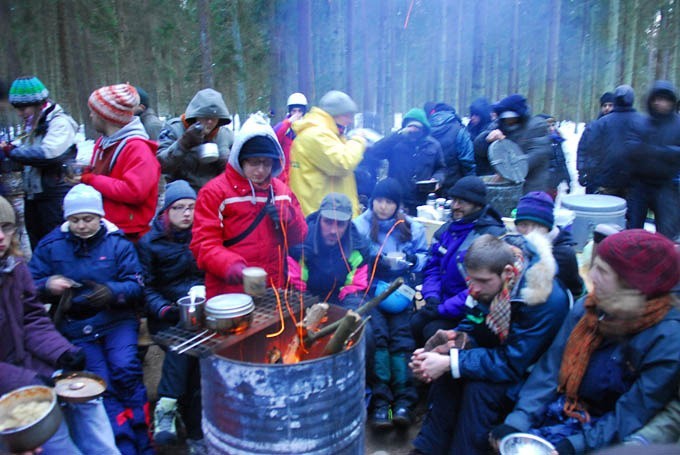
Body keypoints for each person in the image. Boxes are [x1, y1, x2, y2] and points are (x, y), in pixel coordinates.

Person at [490, 229, 680, 454]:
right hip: (561, 410)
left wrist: (574, 446)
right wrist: (518, 420)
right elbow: (551, 369)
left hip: (606, 434)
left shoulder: (667, 337)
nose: (592, 275)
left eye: (602, 270)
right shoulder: (589, 308)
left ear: (631, 284)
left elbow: (633, 411)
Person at [410, 233, 570, 454]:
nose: (473, 289)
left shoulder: (544, 300)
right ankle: (428, 448)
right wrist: (456, 340)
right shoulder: (485, 280)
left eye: (482, 281)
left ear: (507, 273)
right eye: (470, 280)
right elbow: (473, 319)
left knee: (478, 388)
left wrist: (451, 362)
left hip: (531, 375)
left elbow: (513, 363)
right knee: (450, 374)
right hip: (498, 357)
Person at [29, 184, 150, 455]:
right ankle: (121, 441)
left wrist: (112, 292)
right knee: (97, 381)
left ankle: (143, 435)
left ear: (100, 217)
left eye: (88, 219)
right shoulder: (51, 246)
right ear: (66, 220)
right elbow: (29, 285)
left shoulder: (117, 243)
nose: (82, 226)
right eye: (75, 220)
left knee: (125, 368)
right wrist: (49, 284)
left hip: (116, 318)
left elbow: (137, 284)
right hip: (76, 324)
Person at [0, 195, 119, 454]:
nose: (0, 236)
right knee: (55, 437)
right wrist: (28, 380)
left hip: (30, 366)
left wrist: (63, 352)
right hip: (11, 386)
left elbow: (31, 319)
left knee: (87, 399)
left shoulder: (14, 266)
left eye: (5, 227)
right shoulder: (51, 246)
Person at [191, 113, 307, 300]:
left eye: (266, 163)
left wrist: (290, 219)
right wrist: (230, 265)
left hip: (272, 290)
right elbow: (203, 244)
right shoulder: (214, 192)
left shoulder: (282, 192)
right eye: (254, 163)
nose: (261, 170)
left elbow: (299, 237)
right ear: (240, 159)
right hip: (228, 292)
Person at [353, 178, 428, 428]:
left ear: (398, 205)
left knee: (402, 338)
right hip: (371, 290)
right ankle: (381, 402)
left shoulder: (411, 227)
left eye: (389, 202)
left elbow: (424, 257)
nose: (383, 207)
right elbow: (352, 257)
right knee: (380, 338)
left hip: (400, 290)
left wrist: (410, 259)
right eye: (379, 200)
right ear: (372, 200)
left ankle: (404, 401)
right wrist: (375, 259)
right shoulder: (360, 225)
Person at [136, 180, 205, 451]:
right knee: (187, 342)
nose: (187, 214)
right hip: (166, 315)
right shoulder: (150, 242)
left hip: (201, 312)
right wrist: (163, 308)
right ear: (166, 211)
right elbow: (145, 287)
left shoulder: (202, 233)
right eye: (179, 208)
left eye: (191, 207)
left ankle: (171, 410)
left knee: (196, 354)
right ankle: (190, 428)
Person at [410, 176, 505, 347]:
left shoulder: (488, 235)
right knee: (415, 323)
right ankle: (420, 365)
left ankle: (444, 368)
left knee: (432, 330)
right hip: (441, 302)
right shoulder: (448, 229)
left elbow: (481, 288)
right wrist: (432, 297)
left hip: (470, 311)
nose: (455, 206)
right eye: (454, 200)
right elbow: (433, 267)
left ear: (477, 204)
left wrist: (443, 309)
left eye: (462, 202)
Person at [72, 83, 160, 243]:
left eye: (94, 112)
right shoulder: (103, 143)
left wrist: (91, 179)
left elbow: (134, 192)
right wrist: (84, 174)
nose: (91, 116)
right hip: (107, 228)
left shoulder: (138, 148)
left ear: (106, 116)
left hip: (129, 235)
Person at [2, 76, 77, 248]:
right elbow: (27, 158)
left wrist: (12, 151)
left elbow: (48, 154)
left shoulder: (59, 122)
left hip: (54, 198)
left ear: (40, 103)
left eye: (23, 108)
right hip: (35, 196)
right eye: (17, 109)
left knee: (57, 247)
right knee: (39, 248)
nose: (20, 113)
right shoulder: (34, 125)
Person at [289, 90, 367, 217]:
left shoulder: (328, 133)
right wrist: (358, 140)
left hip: (329, 215)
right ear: (334, 114)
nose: (351, 121)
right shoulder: (316, 135)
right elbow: (343, 163)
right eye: (348, 115)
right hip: (322, 219)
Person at [288, 192, 371, 308]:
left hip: (341, 304)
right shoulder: (300, 244)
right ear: (319, 219)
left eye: (340, 224)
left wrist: (347, 317)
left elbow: (355, 290)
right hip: (306, 302)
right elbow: (296, 288)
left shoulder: (359, 249)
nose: (333, 231)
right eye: (328, 222)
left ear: (348, 224)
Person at [362, 108, 446, 214]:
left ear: (424, 129)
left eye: (417, 128)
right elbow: (375, 152)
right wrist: (398, 135)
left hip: (423, 200)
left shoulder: (433, 145)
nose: (413, 131)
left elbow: (441, 168)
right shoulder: (395, 143)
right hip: (397, 199)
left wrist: (437, 179)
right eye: (410, 127)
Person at [625, 81, 680, 239]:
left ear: (671, 102)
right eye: (656, 99)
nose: (659, 103)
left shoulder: (678, 125)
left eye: (664, 99)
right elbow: (630, 149)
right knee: (633, 232)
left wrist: (657, 151)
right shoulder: (641, 122)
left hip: (667, 186)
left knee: (667, 233)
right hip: (640, 185)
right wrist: (664, 152)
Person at [157, 88, 233, 192]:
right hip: (180, 196)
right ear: (195, 115)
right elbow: (160, 165)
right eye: (205, 117)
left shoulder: (225, 135)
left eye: (214, 118)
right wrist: (183, 144)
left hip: (212, 195)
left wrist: (228, 166)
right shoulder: (174, 129)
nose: (210, 122)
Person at [474, 94, 553, 193]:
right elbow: (478, 149)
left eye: (511, 118)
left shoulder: (537, 127)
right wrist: (487, 138)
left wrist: (505, 172)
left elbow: (533, 159)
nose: (508, 121)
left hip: (530, 189)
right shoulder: (500, 125)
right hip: (505, 189)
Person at [514, 191, 584, 299]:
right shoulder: (513, 245)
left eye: (538, 226)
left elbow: (576, 291)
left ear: (548, 228)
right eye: (523, 225)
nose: (530, 232)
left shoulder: (563, 254)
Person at [577, 85, 642, 196]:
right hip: (601, 178)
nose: (607, 108)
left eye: (610, 105)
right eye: (604, 105)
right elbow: (586, 149)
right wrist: (584, 171)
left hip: (627, 179)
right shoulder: (596, 125)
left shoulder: (634, 122)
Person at [427, 102, 476, 192]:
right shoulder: (459, 131)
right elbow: (467, 161)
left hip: (430, 186)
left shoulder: (426, 130)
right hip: (454, 187)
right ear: (452, 113)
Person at [273, 92, 308, 185]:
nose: (297, 114)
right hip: (285, 177)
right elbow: (274, 136)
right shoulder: (284, 128)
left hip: (302, 176)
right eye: (294, 111)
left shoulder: (307, 128)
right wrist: (288, 122)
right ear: (290, 111)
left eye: (300, 111)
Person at [537, 113, 571, 195]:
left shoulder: (557, 141)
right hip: (539, 185)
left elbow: (562, 162)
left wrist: (568, 180)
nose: (552, 128)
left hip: (553, 184)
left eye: (553, 125)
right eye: (548, 126)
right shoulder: (536, 142)